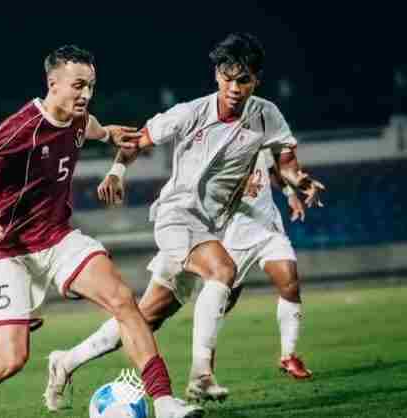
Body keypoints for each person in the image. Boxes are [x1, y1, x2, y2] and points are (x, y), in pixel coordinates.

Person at [44, 32, 325, 408]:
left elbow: (286, 162)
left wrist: (301, 182)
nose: (234, 88)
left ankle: (65, 361)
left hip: (209, 229)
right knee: (223, 271)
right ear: (217, 75)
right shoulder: (190, 113)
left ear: (256, 80)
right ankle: (201, 377)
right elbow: (136, 140)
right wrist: (116, 172)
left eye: (243, 80)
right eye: (227, 78)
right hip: (176, 215)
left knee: (145, 317)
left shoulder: (266, 115)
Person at [0, 45, 203, 418]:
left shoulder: (79, 119)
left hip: (57, 238)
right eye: (78, 85)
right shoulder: (18, 130)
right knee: (10, 360)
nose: (86, 94)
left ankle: (164, 402)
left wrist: (110, 135)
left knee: (122, 300)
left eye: (91, 86)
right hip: (10, 251)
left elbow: (93, 128)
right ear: (53, 84)